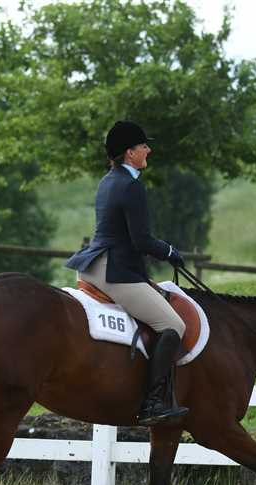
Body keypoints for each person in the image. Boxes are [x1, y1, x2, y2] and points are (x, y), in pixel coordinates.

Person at [65, 120, 189, 426]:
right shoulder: (131, 186)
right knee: (173, 325)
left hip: (93, 266)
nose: (149, 150)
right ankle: (153, 403)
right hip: (115, 271)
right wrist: (170, 252)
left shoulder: (108, 180)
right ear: (130, 152)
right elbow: (141, 240)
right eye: (144, 145)